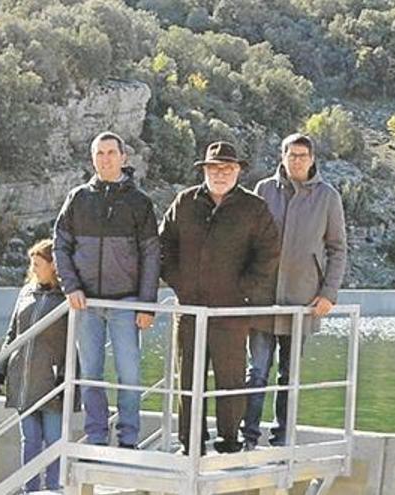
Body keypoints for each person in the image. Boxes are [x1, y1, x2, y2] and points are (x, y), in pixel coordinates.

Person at [160, 141, 280, 455]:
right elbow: (163, 246)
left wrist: (244, 292)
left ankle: (229, 442)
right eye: (214, 168)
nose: (221, 173)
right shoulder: (185, 202)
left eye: (228, 168)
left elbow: (268, 254)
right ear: (204, 170)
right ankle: (190, 443)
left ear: (239, 171)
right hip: (188, 310)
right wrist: (179, 283)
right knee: (189, 379)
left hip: (231, 312)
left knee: (231, 381)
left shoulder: (253, 208)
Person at [53, 131, 160, 448]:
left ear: (124, 157)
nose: (105, 159)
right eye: (99, 153)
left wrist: (147, 304)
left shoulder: (139, 202)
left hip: (126, 303)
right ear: (92, 159)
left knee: (129, 375)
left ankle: (128, 436)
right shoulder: (77, 199)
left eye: (111, 152)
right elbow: (60, 247)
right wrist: (70, 286)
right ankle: (97, 434)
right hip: (86, 303)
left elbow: (152, 255)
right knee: (90, 374)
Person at [241, 133, 347, 450]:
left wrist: (328, 293)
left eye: (303, 155)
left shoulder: (327, 197)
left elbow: (338, 249)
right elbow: (247, 244)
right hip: (262, 300)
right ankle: (248, 437)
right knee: (256, 371)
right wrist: (245, 287)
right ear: (283, 156)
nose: (297, 160)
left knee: (289, 376)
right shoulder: (263, 190)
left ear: (312, 159)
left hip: (302, 302)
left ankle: (283, 438)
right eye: (292, 154)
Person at [0, 239, 67, 492]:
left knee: (55, 440)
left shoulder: (67, 297)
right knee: (30, 440)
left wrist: (66, 374)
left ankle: (54, 489)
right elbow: (12, 334)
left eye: (38, 264)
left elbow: (74, 341)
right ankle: (31, 490)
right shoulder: (26, 293)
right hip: (22, 377)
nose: (33, 269)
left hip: (52, 379)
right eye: (32, 264)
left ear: (54, 265)